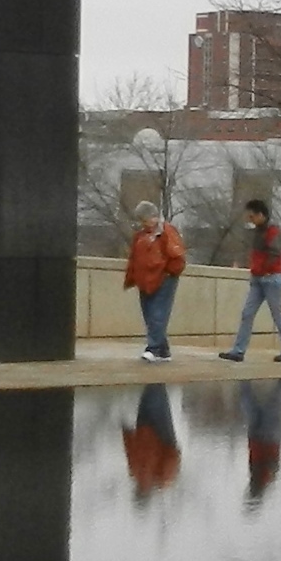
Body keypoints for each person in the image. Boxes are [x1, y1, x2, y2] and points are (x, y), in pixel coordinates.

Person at [226, 195, 281, 362]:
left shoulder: (272, 231)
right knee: (247, 313)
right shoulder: (258, 232)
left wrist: (264, 269)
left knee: (277, 315)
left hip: (271, 278)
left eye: (252, 216)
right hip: (259, 278)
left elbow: (275, 253)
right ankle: (238, 350)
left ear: (261, 215)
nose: (250, 220)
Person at [121, 200, 185, 361]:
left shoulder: (167, 232)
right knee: (150, 314)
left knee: (158, 313)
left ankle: (153, 348)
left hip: (163, 278)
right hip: (145, 279)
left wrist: (169, 273)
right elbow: (134, 258)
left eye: (145, 220)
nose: (144, 224)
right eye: (142, 221)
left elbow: (177, 256)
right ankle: (163, 350)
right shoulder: (141, 236)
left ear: (154, 217)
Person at [122, 384, 182, 494]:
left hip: (155, 435)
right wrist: (126, 432)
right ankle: (155, 380)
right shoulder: (140, 475)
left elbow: (129, 450)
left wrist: (172, 448)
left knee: (155, 397)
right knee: (152, 397)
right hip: (151, 433)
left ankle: (156, 380)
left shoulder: (161, 480)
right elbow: (129, 450)